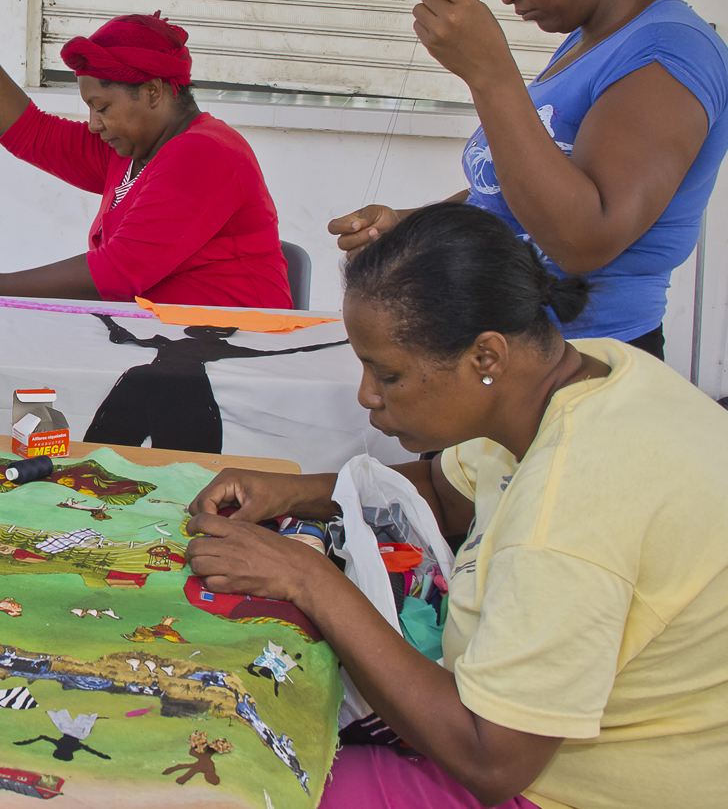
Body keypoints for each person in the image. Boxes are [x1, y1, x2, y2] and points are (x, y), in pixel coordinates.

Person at [187, 202, 727, 809]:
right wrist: (292, 490)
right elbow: (446, 494)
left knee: (243, 778)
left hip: (574, 785)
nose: (367, 395)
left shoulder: (564, 515)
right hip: (554, 741)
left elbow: (490, 762)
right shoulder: (591, 373)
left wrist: (307, 579)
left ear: (486, 358)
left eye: (387, 375)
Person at [330, 0, 728, 357]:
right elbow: (518, 197)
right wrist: (413, 225)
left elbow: (583, 237)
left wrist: (491, 76)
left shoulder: (668, 52)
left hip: (584, 366)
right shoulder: (584, 42)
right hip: (510, 355)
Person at [0, 0, 291, 307]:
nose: (93, 124)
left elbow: (119, 272)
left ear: (153, 91)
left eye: (102, 108)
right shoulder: (131, 150)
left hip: (239, 350)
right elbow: (31, 134)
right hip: (171, 344)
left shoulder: (204, 153)